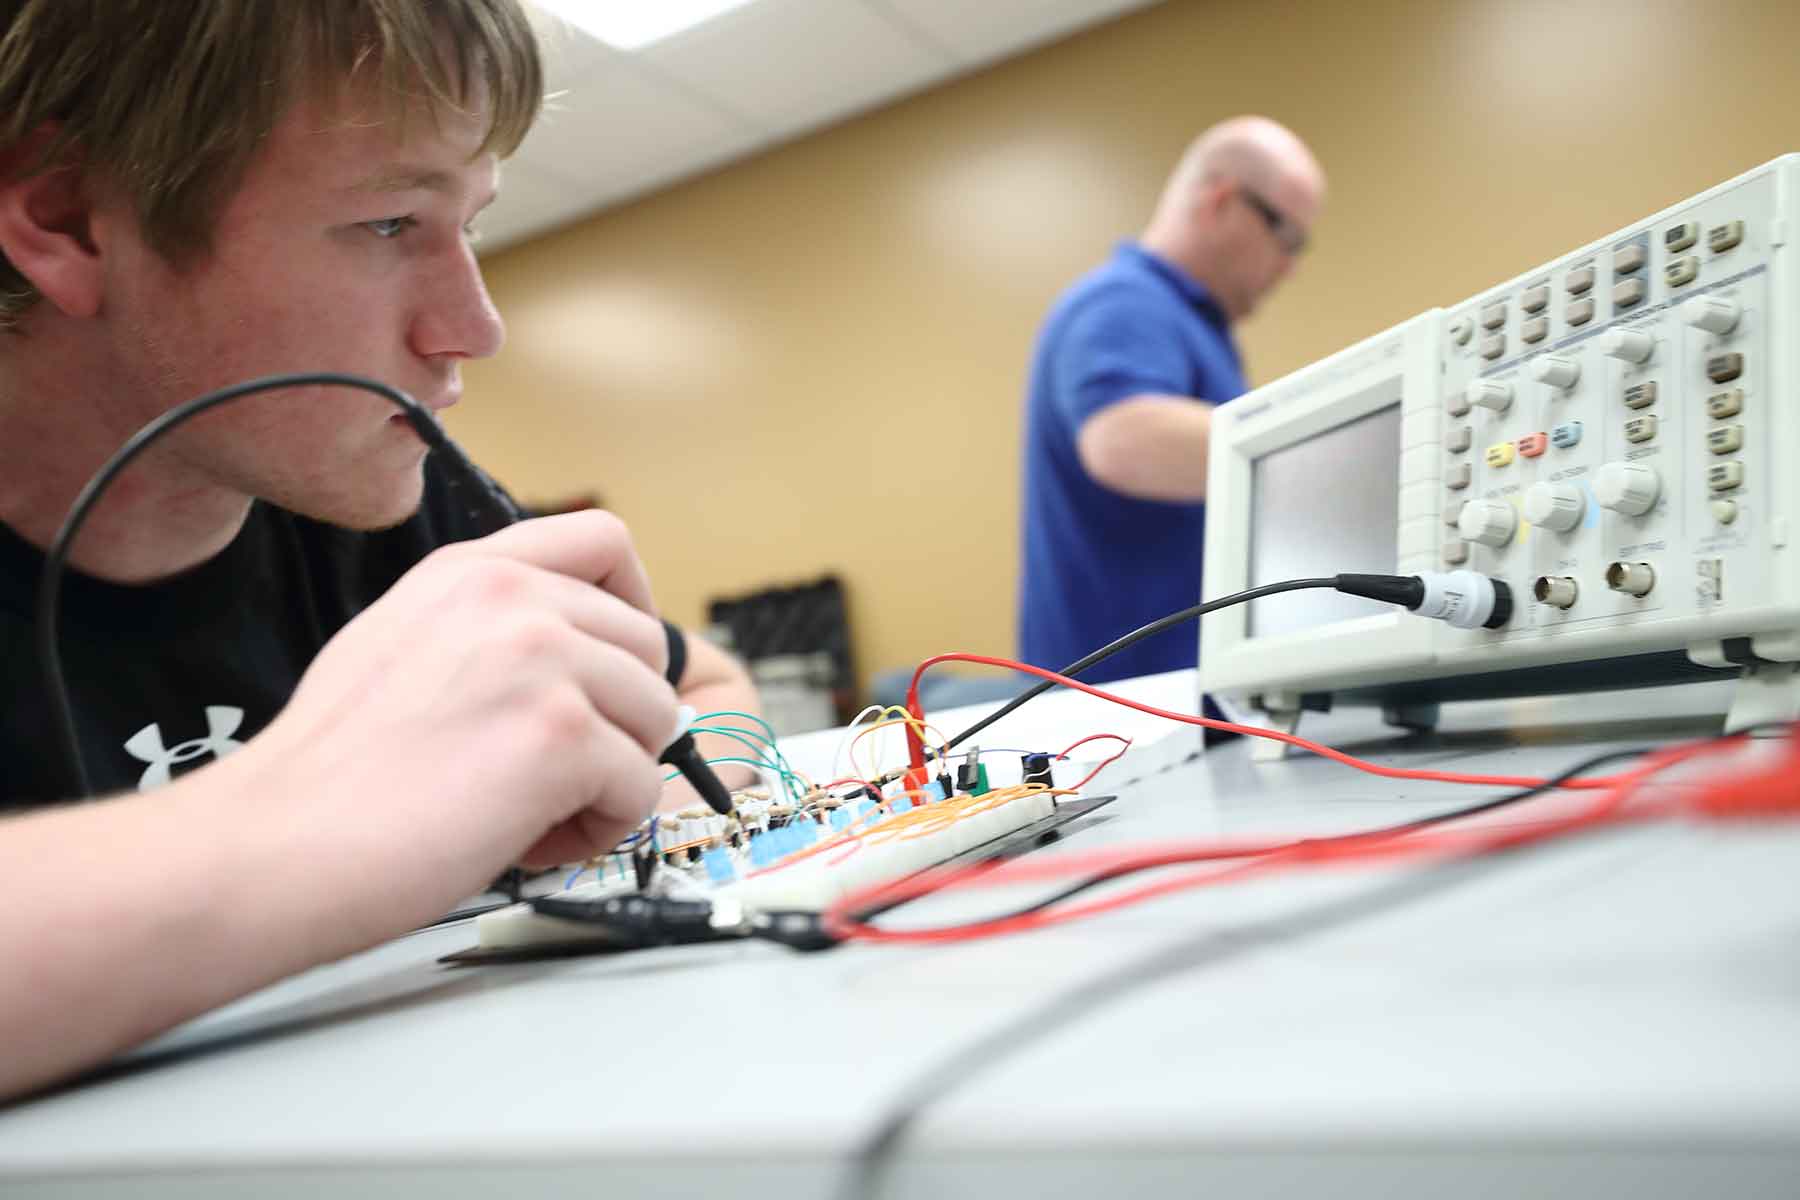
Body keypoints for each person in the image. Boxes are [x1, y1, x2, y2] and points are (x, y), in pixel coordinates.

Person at [0, 0, 757, 1100]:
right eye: (392, 223)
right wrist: (335, 821)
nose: (476, 328)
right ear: (69, 219)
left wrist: (656, 818)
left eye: (473, 222)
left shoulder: (396, 506)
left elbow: (715, 688)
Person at [1017, 116, 1326, 685]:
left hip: (1174, 708)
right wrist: (1331, 451)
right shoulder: (1123, 301)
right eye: (1287, 238)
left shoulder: (1197, 328)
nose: (1290, 266)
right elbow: (1123, 438)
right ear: (1221, 200)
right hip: (1127, 720)